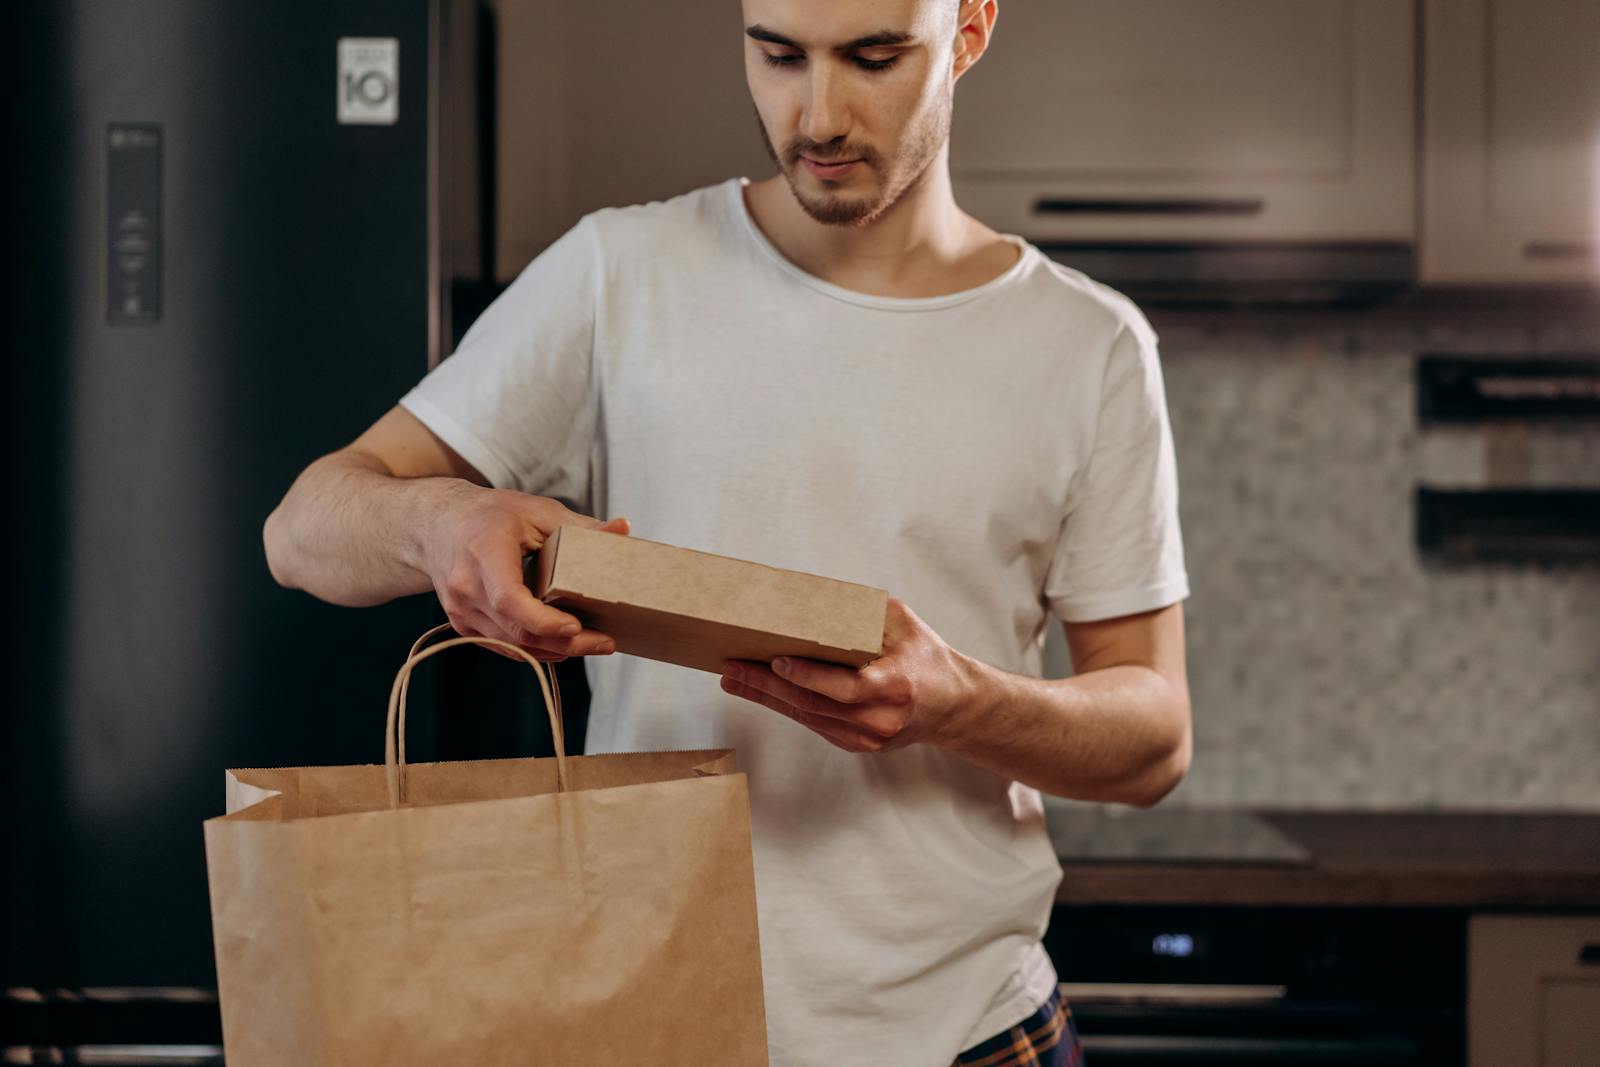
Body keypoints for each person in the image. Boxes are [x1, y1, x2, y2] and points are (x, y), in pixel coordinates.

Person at [263, 0, 1192, 1063]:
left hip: (970, 1032)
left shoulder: (1089, 345)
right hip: (657, 1025)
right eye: (778, 54)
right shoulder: (619, 273)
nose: (818, 115)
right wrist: (440, 521)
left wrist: (959, 701)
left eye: (873, 57)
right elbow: (302, 529)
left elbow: (1154, 734)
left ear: (971, 28)